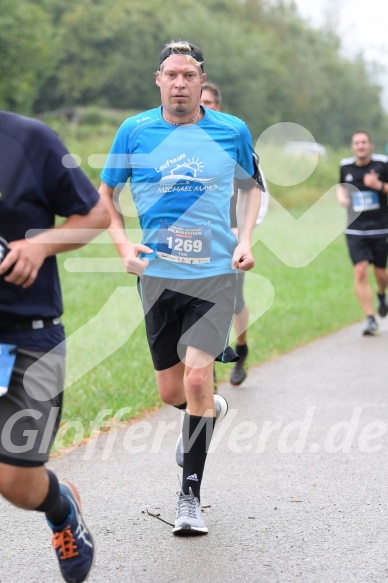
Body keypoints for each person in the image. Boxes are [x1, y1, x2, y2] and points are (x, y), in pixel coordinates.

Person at [99, 41, 263, 535]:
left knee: (195, 378)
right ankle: (209, 411)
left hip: (214, 272)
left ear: (200, 81)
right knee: (172, 388)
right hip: (158, 275)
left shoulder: (230, 130)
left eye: (189, 75)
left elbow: (252, 186)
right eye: (171, 74)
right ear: (158, 79)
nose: (180, 83)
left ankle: (188, 500)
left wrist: (245, 239)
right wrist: (123, 246)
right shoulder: (135, 130)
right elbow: (107, 193)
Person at [0, 111, 110, 582]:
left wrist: (42, 245)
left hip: (28, 337)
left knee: (17, 485)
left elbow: (98, 213)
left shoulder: (29, 139)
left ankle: (61, 507)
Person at [201, 82, 269, 387]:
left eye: (210, 102)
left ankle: (240, 349)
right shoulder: (182, 144)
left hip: (232, 234)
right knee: (199, 301)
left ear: (219, 105)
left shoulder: (233, 138)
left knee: (234, 302)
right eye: (200, 101)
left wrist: (243, 234)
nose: (204, 106)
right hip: (197, 235)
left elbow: (257, 190)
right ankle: (207, 368)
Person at [337, 130, 388, 336]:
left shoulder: (383, 164)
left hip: (380, 227)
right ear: (352, 146)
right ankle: (370, 318)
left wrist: (379, 186)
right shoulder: (345, 166)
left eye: (364, 142)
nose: (360, 146)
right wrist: (341, 197)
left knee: (380, 274)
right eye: (356, 143)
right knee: (360, 271)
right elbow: (340, 186)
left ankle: (382, 295)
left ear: (370, 145)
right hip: (355, 229)